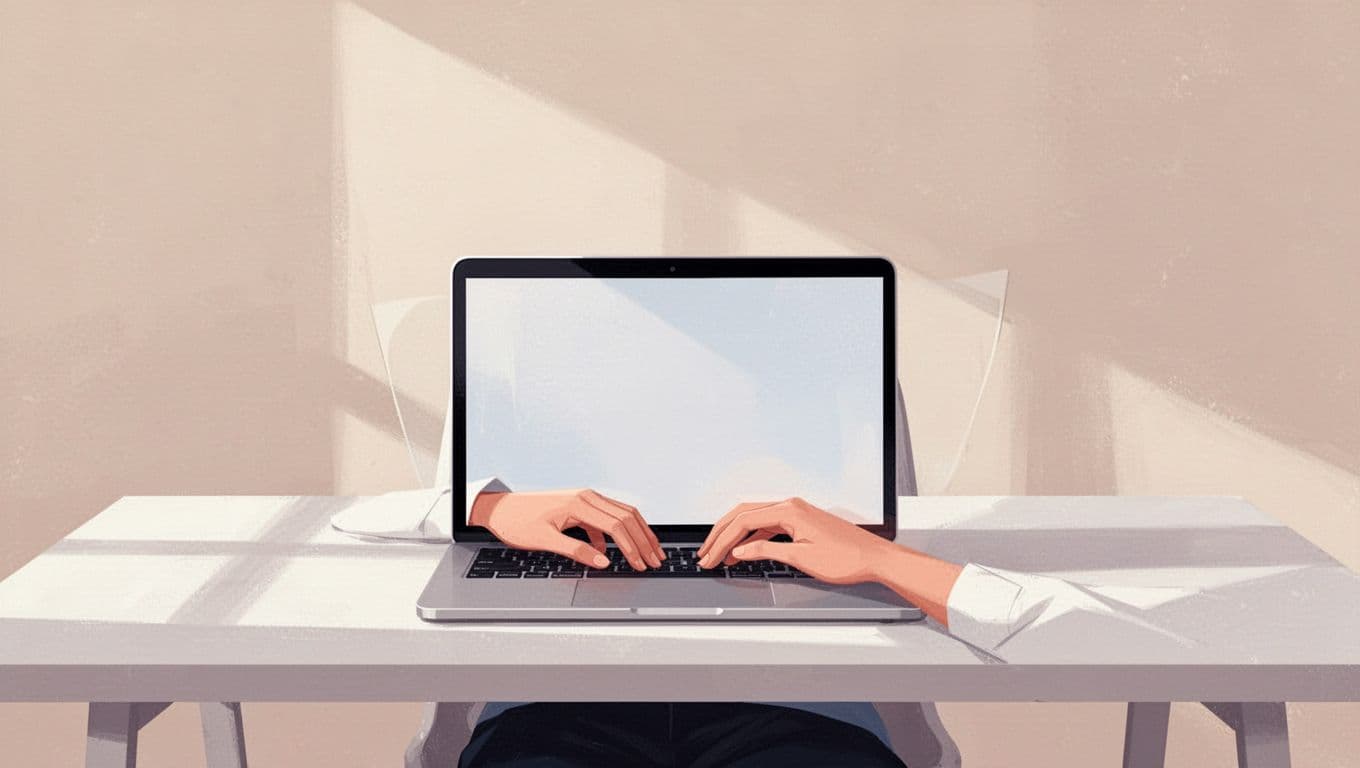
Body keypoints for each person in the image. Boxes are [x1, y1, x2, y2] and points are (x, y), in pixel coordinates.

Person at [458, 482, 1189, 767]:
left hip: (796, 713)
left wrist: (878, 557)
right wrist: (485, 507)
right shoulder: (492, 483)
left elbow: (1130, 647)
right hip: (550, 715)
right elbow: (352, 520)